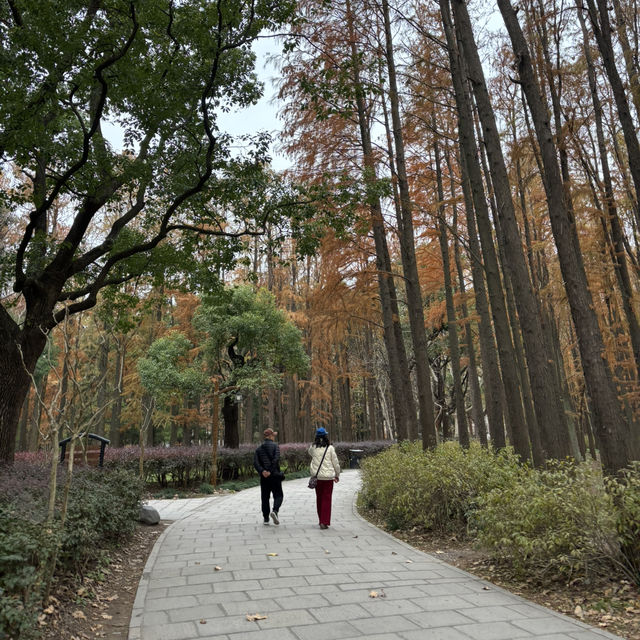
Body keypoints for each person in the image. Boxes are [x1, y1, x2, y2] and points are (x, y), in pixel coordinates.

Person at [308, 427, 340, 529]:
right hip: (328, 478)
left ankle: (320, 519)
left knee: (319, 498)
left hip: (317, 478)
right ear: (326, 436)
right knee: (327, 499)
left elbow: (309, 452)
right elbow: (335, 463)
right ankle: (324, 521)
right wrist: (337, 475)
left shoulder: (313, 447)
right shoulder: (330, 448)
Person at [253, 428, 283, 525]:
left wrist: (262, 471)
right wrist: (270, 471)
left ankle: (266, 518)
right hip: (274, 476)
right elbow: (276, 459)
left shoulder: (258, 449)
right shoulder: (275, 447)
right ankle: (275, 511)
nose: (274, 437)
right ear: (270, 436)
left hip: (264, 477)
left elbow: (256, 463)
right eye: (273, 435)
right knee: (278, 495)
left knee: (265, 497)